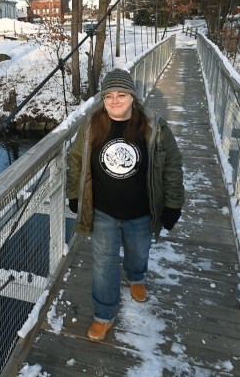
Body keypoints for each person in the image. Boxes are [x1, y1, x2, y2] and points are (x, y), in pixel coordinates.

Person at [65, 69, 185, 341]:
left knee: (138, 252)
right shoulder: (92, 124)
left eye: (121, 95)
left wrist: (173, 204)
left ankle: (136, 277)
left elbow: (172, 168)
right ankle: (103, 315)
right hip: (103, 212)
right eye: (108, 96)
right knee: (104, 265)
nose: (114, 101)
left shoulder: (154, 126)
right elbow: (75, 162)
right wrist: (75, 195)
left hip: (142, 212)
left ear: (133, 97)